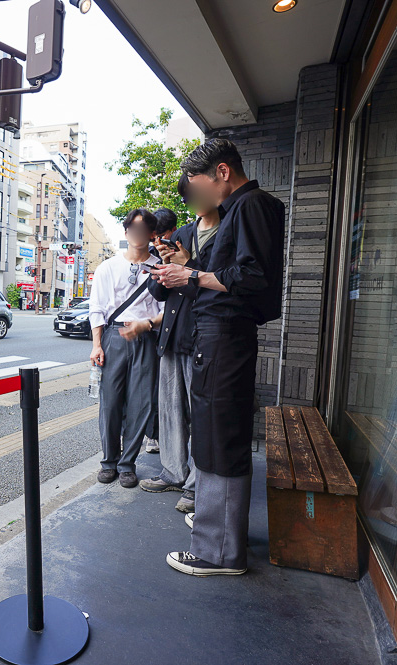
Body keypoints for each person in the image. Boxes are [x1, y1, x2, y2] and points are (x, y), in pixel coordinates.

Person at [151, 139, 284, 576]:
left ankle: (218, 551)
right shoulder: (239, 210)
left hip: (225, 337)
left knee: (219, 434)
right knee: (212, 432)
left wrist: (192, 273)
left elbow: (253, 279)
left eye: (198, 186)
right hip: (217, 337)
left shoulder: (251, 206)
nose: (196, 198)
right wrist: (188, 272)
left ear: (222, 172)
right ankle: (217, 527)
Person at [141, 178, 221, 514]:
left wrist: (188, 266)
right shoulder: (183, 233)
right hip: (172, 335)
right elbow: (158, 292)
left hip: (203, 336)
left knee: (198, 414)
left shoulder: (225, 234)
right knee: (170, 410)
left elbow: (221, 286)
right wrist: (161, 266)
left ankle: (195, 485)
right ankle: (174, 471)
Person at [89, 209, 165, 489]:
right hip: (114, 336)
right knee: (110, 403)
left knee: (141, 404)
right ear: (126, 233)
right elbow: (96, 308)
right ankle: (109, 461)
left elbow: (167, 312)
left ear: (152, 235)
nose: (138, 236)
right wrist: (97, 344)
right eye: (133, 230)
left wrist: (145, 324)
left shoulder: (160, 268)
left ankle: (127, 465)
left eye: (144, 231)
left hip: (146, 338)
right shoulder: (107, 267)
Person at [143, 207, 180, 455]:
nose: (156, 242)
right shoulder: (147, 256)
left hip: (171, 330)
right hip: (149, 330)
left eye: (160, 236)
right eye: (152, 237)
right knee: (148, 387)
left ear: (172, 232)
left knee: (167, 389)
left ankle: (160, 435)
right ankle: (150, 433)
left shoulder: (182, 254)